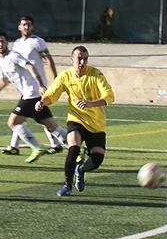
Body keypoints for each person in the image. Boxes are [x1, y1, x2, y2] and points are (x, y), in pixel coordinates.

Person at [35, 46, 115, 197]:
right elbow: (52, 93)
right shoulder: (66, 76)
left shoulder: (96, 75)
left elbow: (109, 95)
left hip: (96, 124)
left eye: (85, 58)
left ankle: (80, 169)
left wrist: (91, 103)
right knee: (74, 147)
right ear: (71, 60)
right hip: (76, 119)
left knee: (97, 159)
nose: (82, 62)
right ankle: (67, 184)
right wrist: (42, 102)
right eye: (79, 58)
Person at [0, 33, 68, 164]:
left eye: (2, 41)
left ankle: (37, 147)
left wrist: (40, 84)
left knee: (13, 122)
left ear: (7, 42)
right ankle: (77, 147)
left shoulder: (13, 55)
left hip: (31, 94)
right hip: (30, 95)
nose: (0, 44)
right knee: (51, 126)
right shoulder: (0, 63)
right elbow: (3, 81)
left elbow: (30, 66)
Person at [11, 15, 62, 155]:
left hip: (37, 87)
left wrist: (55, 79)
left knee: (18, 117)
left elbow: (48, 59)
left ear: (32, 27)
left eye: (29, 24)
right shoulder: (16, 43)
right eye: (24, 24)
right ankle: (55, 144)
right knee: (35, 117)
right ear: (19, 27)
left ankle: (14, 146)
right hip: (25, 87)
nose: (26, 27)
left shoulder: (37, 42)